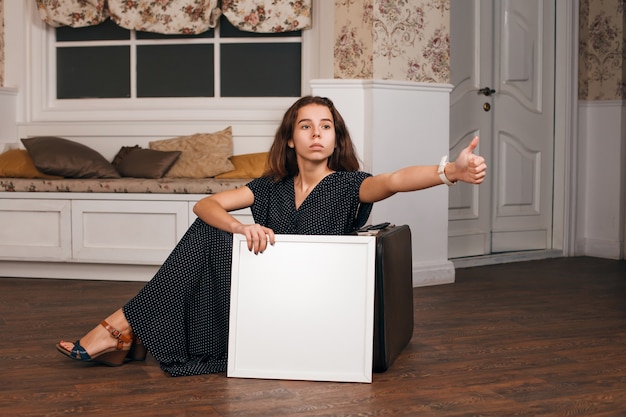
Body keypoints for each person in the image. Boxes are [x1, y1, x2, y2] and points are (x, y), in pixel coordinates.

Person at [56, 95, 487, 376]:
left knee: (209, 237)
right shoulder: (269, 187)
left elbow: (394, 180)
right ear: (290, 138)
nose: (316, 133)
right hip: (263, 294)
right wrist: (243, 225)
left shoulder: (350, 183)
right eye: (305, 126)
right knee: (211, 230)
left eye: (325, 126)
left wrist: (449, 172)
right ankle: (124, 332)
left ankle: (120, 329)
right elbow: (204, 204)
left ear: (336, 139)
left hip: (315, 299)